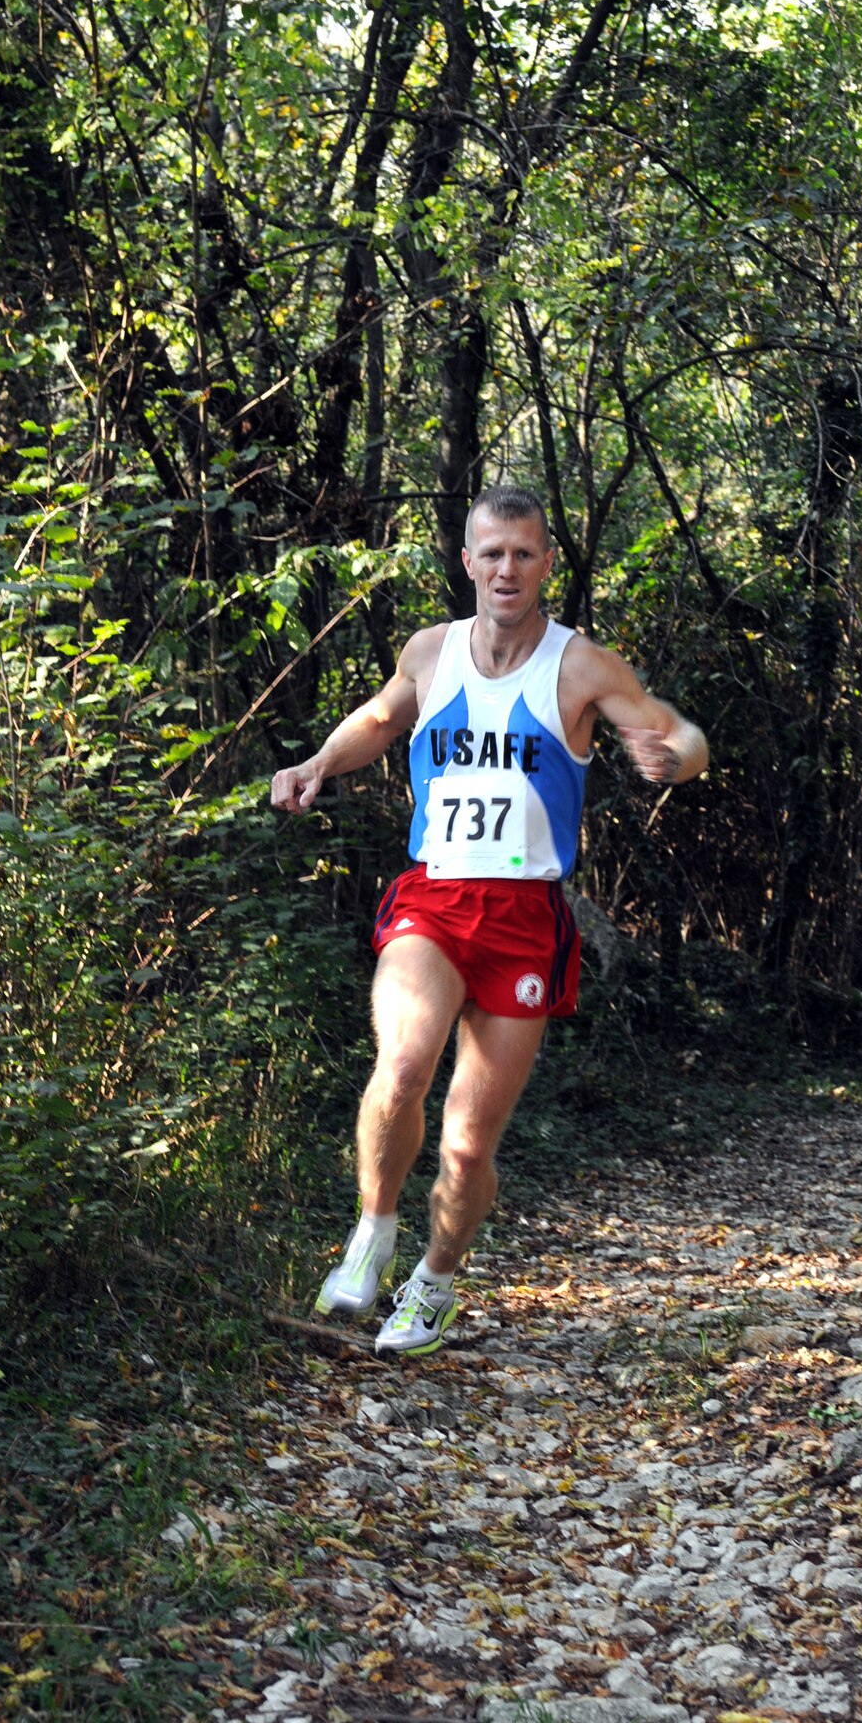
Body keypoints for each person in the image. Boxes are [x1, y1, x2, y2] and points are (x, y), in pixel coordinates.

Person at [270, 485, 708, 1356]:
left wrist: (676, 757)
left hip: (523, 918)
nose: (506, 568)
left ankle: (433, 1285)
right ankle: (373, 1230)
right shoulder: (430, 652)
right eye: (491, 553)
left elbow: (674, 732)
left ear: (547, 564)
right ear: (466, 562)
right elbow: (381, 718)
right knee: (402, 1063)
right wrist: (320, 761)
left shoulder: (582, 666)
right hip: (433, 896)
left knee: (468, 1147)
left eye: (524, 553)